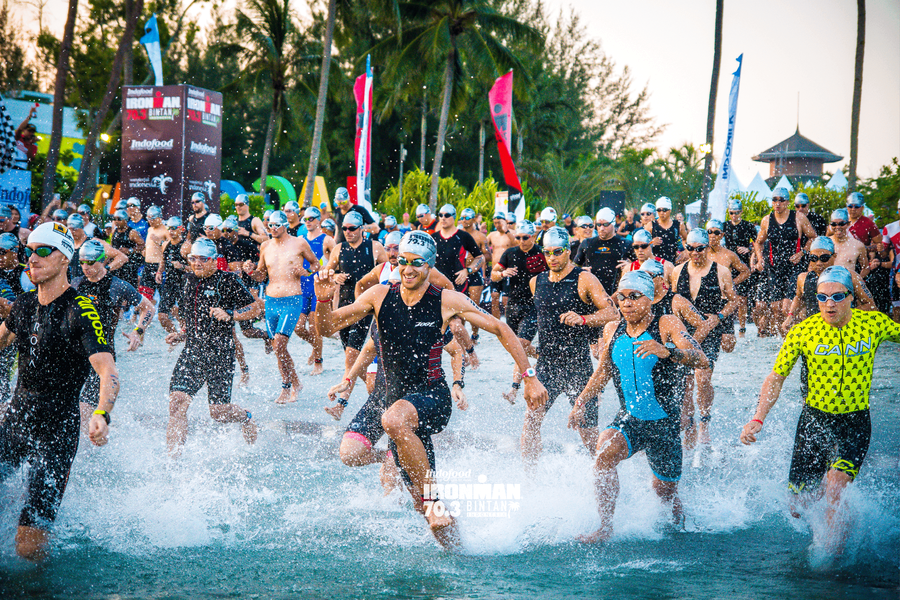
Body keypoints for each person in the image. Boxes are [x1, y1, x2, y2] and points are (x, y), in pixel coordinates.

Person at [314, 230, 549, 548]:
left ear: (430, 266)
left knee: (394, 422)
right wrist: (324, 298)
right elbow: (327, 327)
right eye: (403, 262)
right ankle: (462, 551)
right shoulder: (379, 296)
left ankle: (431, 495)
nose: (408, 269)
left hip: (432, 400)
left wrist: (529, 376)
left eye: (417, 263)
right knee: (425, 509)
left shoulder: (445, 300)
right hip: (399, 413)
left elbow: (500, 327)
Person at [740, 266, 900, 555]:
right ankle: (836, 531)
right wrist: (757, 418)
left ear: (852, 297)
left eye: (838, 296)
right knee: (799, 505)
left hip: (855, 422)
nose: (829, 303)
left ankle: (831, 556)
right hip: (814, 422)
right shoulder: (804, 331)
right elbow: (776, 377)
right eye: (822, 297)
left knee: (835, 484)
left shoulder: (874, 323)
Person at [0, 223, 119, 561]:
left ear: (65, 258)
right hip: (16, 424)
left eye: (42, 251)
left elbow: (108, 370)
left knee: (28, 548)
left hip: (56, 436)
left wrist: (101, 413)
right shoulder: (23, 305)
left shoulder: (81, 310)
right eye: (28, 251)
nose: (31, 259)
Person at [568, 271, 709, 543]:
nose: (627, 302)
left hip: (663, 425)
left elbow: (701, 359)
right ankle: (605, 527)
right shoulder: (613, 328)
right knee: (604, 453)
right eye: (621, 297)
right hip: (630, 418)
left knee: (664, 492)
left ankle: (683, 529)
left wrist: (669, 351)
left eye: (635, 296)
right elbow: (603, 372)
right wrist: (581, 402)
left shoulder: (666, 323)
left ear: (651, 298)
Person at [523, 227, 618, 465]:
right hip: (546, 366)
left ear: (568, 251)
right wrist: (524, 350)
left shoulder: (584, 278)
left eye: (557, 251)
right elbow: (536, 318)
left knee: (587, 433)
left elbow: (612, 312)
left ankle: (602, 477)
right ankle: (529, 482)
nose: (552, 257)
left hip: (578, 367)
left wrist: (584, 319)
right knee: (531, 423)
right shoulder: (537, 281)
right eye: (547, 252)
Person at [165, 238, 262, 457]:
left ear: (214, 260)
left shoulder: (228, 280)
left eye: (203, 259)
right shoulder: (188, 280)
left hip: (220, 354)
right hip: (193, 351)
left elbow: (256, 307)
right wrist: (181, 335)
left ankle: (246, 417)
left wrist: (232, 315)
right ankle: (174, 460)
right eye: (193, 258)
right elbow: (193, 318)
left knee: (219, 413)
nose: (197, 263)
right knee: (177, 402)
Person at [72, 239, 154, 430]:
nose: (86, 267)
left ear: (103, 260)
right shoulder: (76, 284)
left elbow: (147, 308)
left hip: (102, 354)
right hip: (75, 354)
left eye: (91, 262)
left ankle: (89, 450)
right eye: (82, 262)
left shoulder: (118, 286)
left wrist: (138, 331)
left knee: (85, 410)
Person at [670, 228, 738, 447]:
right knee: (686, 382)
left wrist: (725, 325)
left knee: (703, 378)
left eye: (699, 249)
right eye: (690, 249)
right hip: (685, 332)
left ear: (707, 248)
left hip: (711, 329)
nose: (695, 253)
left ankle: (705, 420)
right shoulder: (677, 271)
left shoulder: (721, 271)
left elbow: (733, 301)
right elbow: (673, 304)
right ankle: (689, 420)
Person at [245, 210, 321, 403]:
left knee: (279, 343)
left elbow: (316, 264)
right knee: (277, 347)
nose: (272, 229)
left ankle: (286, 387)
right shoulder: (265, 246)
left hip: (292, 299)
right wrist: (251, 272)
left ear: (285, 225)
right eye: (269, 225)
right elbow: (262, 275)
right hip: (271, 301)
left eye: (276, 225)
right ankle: (296, 383)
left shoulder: (299, 243)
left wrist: (305, 271)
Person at [491, 221, 547, 402]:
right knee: (515, 346)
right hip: (514, 305)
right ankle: (541, 354)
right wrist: (502, 274)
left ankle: (515, 387)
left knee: (520, 345)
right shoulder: (510, 253)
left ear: (533, 236)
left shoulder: (542, 253)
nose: (522, 241)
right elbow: (493, 273)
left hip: (535, 305)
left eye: (525, 237)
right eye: (519, 237)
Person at [753, 187, 817, 336]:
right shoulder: (767, 220)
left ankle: (799, 336)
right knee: (776, 308)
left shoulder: (798, 218)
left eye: (781, 200)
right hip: (774, 268)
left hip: (794, 267)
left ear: (787, 202)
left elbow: (813, 237)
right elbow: (758, 242)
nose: (777, 203)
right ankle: (785, 341)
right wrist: (760, 258)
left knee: (787, 307)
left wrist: (802, 252)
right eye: (774, 200)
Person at [297, 206, 335, 374]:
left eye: (311, 218)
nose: (308, 222)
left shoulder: (326, 240)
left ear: (318, 220)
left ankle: (318, 362)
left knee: (314, 327)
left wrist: (328, 271)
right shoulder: (300, 239)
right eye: (305, 219)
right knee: (298, 327)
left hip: (317, 287)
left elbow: (337, 259)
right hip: (302, 286)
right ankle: (315, 345)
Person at [574, 207, 631, 303]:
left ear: (613, 224)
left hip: (617, 297)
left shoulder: (624, 243)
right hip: (591, 297)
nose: (601, 228)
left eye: (605, 224)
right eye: (599, 225)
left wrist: (630, 266)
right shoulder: (587, 243)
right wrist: (580, 271)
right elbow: (573, 267)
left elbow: (642, 264)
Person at [431, 204, 484, 294]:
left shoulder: (463, 236)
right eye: (440, 215)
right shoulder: (433, 238)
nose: (443, 218)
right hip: (437, 285)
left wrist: (468, 271)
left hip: (458, 285)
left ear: (454, 217)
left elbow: (480, 257)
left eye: (447, 215)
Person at [723, 199, 757, 335]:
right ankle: (727, 327)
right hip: (728, 266)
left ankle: (742, 328)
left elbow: (759, 244)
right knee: (727, 297)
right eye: (731, 213)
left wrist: (749, 249)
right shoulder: (724, 226)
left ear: (741, 212)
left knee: (742, 299)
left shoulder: (748, 226)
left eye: (736, 213)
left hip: (742, 266)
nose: (734, 216)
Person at [156, 217, 188, 333]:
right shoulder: (165, 245)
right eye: (169, 228)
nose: (171, 231)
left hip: (183, 284)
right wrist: (159, 272)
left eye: (174, 228)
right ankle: (174, 336)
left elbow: (197, 270)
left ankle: (184, 336)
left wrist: (182, 267)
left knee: (184, 318)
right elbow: (163, 260)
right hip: (169, 283)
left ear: (181, 229)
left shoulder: (186, 246)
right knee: (162, 316)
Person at [486, 212, 515, 319]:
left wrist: (506, 230)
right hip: (495, 271)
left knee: (506, 300)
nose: (497, 225)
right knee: (494, 297)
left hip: (508, 271)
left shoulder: (511, 233)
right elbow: (482, 247)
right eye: (495, 223)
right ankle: (497, 325)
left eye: (499, 222)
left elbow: (516, 243)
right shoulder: (492, 235)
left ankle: (510, 324)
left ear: (505, 221)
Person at [110, 209, 145, 289]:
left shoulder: (132, 232)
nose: (116, 221)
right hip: (116, 266)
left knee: (129, 290)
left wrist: (130, 250)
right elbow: (111, 248)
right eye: (114, 219)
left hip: (129, 268)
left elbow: (142, 245)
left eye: (119, 219)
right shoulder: (115, 231)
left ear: (125, 220)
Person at [828, 208, 869, 275]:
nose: (838, 227)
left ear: (848, 224)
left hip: (847, 283)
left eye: (841, 224)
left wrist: (855, 281)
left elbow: (866, 268)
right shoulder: (825, 243)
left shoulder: (858, 245)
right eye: (834, 224)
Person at [139, 206, 167, 302]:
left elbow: (170, 248)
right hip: (147, 266)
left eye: (153, 218)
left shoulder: (166, 231)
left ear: (160, 217)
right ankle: (143, 314)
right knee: (144, 297)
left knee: (165, 298)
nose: (150, 221)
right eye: (148, 218)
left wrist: (159, 241)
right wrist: (145, 251)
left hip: (159, 267)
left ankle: (169, 315)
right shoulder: (150, 229)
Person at [649, 197, 687, 264]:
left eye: (664, 210)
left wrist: (685, 252)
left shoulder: (678, 225)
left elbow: (686, 240)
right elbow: (642, 245)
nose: (661, 213)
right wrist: (651, 243)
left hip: (672, 262)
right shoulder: (651, 225)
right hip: (655, 263)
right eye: (659, 210)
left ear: (670, 210)